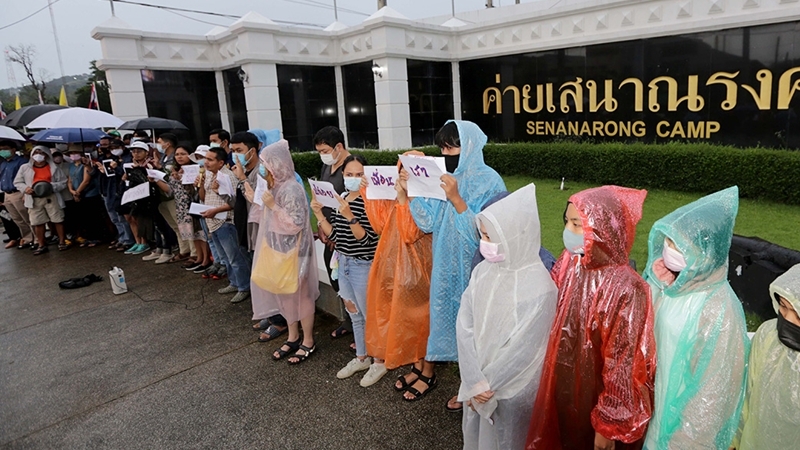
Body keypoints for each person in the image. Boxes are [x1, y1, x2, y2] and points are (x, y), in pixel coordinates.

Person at [525, 186, 656, 450]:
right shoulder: (571, 262)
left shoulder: (627, 288)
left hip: (597, 391)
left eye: (577, 224)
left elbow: (623, 363)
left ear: (603, 228)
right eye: (567, 222)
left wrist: (609, 422)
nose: (568, 231)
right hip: (564, 376)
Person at [405, 120, 505, 405]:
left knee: (476, 327)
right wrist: (413, 193)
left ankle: (480, 388)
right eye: (443, 147)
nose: (448, 152)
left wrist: (458, 199)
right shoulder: (444, 177)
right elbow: (428, 223)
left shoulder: (490, 180)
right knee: (451, 322)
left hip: (476, 266)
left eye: (453, 145)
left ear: (470, 145)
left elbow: (486, 232)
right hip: (445, 264)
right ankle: (467, 385)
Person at [642, 186, 749, 450]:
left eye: (679, 246)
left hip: (680, 434)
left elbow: (710, 398)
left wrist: (682, 443)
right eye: (668, 241)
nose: (668, 250)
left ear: (706, 251)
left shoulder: (719, 309)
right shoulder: (664, 282)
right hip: (651, 418)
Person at [456, 183, 557, 450]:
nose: (483, 244)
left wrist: (486, 384)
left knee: (509, 440)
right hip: (478, 384)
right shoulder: (483, 273)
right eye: (482, 235)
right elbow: (465, 324)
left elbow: (526, 351)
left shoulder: (540, 287)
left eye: (490, 237)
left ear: (514, 234)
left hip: (511, 391)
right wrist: (472, 378)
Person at [361, 160, 433, 392]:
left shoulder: (425, 199)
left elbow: (410, 232)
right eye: (401, 167)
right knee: (408, 321)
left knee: (423, 321)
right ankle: (417, 366)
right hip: (397, 271)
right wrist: (367, 192)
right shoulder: (395, 196)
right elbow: (379, 225)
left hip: (420, 271)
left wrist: (404, 199)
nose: (403, 173)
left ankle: (428, 373)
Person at [312, 155, 382, 384]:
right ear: (342, 175)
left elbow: (367, 241)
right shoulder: (341, 197)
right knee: (354, 313)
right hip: (344, 263)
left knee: (370, 315)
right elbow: (336, 237)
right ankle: (362, 357)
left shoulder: (370, 201)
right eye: (349, 174)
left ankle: (379, 361)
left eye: (359, 174)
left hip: (364, 264)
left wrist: (350, 216)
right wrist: (319, 215)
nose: (354, 179)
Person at [250, 139, 319, 364]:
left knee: (301, 295)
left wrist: (273, 206)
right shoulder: (274, 186)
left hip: (296, 252)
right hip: (278, 250)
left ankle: (308, 340)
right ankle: (292, 336)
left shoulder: (291, 188)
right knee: (285, 294)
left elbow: (296, 223)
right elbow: (265, 219)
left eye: (265, 163)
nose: (262, 167)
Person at [731, 264, 800, 450]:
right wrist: (734, 438)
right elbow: (747, 394)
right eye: (783, 308)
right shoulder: (768, 335)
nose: (788, 320)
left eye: (799, 316)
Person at [313, 126, 353, 343]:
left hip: (347, 234)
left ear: (339, 146)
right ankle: (349, 320)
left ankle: (361, 327)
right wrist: (322, 225)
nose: (322, 155)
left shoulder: (353, 166)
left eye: (325, 150)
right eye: (319, 151)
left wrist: (337, 232)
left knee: (352, 283)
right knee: (336, 278)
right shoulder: (326, 166)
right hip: (328, 231)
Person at [198, 147, 251, 304]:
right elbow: (203, 197)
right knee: (225, 258)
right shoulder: (207, 175)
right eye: (205, 159)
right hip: (211, 221)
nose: (206, 162)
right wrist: (200, 184)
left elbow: (235, 204)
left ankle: (244, 287)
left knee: (235, 257)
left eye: (210, 159)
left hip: (225, 221)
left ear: (221, 162)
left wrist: (216, 210)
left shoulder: (228, 177)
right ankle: (234, 283)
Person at [156, 145, 211, 273]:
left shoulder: (196, 169)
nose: (179, 157)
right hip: (181, 205)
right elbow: (170, 190)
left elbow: (193, 191)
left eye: (183, 154)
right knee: (193, 234)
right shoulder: (175, 170)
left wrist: (183, 179)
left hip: (193, 203)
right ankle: (199, 257)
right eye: (177, 154)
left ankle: (204, 258)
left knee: (201, 232)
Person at [13, 145, 69, 255]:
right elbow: (17, 182)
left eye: (41, 153)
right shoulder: (25, 167)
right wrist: (26, 189)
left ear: (46, 155)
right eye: (35, 153)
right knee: (37, 221)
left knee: (58, 219)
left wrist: (50, 186)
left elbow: (63, 182)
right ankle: (41, 244)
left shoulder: (54, 167)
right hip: (34, 198)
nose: (38, 155)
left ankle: (62, 241)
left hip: (51, 196)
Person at [121, 141, 155, 256]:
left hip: (145, 196)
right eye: (134, 151)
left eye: (139, 151)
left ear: (146, 152)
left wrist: (138, 170)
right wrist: (125, 177)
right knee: (130, 218)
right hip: (132, 194)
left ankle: (144, 242)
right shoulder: (129, 164)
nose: (136, 154)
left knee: (141, 219)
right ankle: (137, 241)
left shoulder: (149, 164)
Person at [0, 140, 34, 249]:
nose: (2, 151)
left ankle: (37, 238)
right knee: (17, 219)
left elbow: (27, 178)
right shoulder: (4, 163)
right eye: (1, 149)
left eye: (5, 149)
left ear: (13, 149)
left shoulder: (21, 162)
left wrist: (25, 193)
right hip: (7, 194)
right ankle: (27, 238)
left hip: (19, 193)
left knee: (27, 217)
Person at [67, 146, 104, 247]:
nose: (73, 155)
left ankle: (96, 238)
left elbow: (86, 180)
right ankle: (88, 237)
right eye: (72, 153)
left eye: (76, 152)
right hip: (77, 193)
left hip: (89, 193)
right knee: (84, 217)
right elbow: (70, 179)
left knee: (93, 217)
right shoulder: (71, 166)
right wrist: (72, 191)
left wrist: (78, 191)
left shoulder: (86, 165)